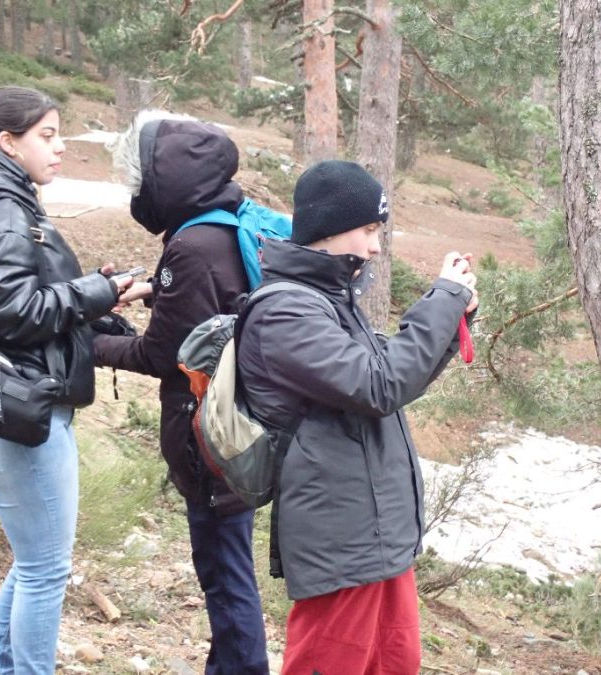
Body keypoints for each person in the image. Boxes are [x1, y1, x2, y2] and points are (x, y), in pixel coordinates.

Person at [236, 160, 479, 674]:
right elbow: (377, 385)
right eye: (368, 230)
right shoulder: (287, 310)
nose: (374, 246)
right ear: (328, 228)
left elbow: (391, 379)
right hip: (339, 539)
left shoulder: (332, 300)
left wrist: (452, 315)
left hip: (378, 534)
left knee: (394, 664)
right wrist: (442, 300)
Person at [0, 86, 133, 675]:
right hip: (13, 412)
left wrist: (101, 296)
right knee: (46, 569)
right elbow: (14, 313)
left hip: (15, 403)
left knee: (33, 561)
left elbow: (25, 301)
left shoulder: (0, 199)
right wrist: (96, 291)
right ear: (7, 142)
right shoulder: (0, 210)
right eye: (47, 135)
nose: (61, 147)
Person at [93, 113, 269, 674]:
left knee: (225, 581)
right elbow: (211, 315)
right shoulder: (227, 225)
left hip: (208, 441)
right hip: (241, 430)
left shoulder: (191, 247)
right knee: (228, 571)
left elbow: (164, 355)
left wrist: (91, 343)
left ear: (165, 183)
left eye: (139, 180)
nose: (135, 193)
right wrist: (155, 292)